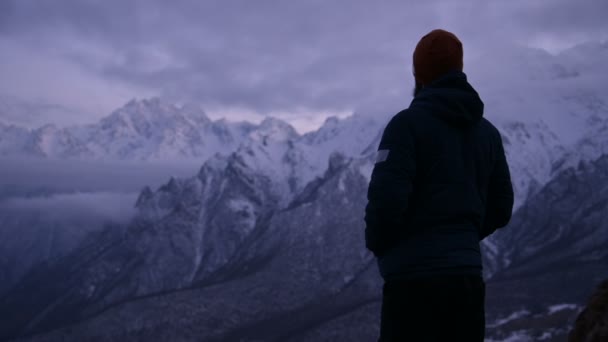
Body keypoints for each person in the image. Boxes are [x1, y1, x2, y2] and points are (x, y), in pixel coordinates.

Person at [364, 29, 514, 341]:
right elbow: (501, 207)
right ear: (460, 69)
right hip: (467, 280)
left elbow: (386, 201)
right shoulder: (488, 133)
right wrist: (463, 237)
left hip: (412, 284)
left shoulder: (405, 125)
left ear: (418, 75)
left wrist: (382, 246)